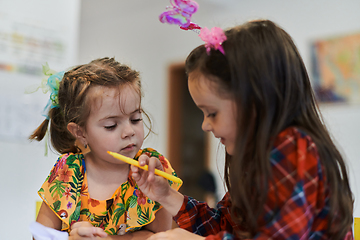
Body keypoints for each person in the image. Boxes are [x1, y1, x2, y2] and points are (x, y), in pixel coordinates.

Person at [131, 20, 354, 239]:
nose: (205, 125)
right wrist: (165, 194)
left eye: (212, 113)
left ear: (255, 103)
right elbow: (222, 226)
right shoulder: (255, 163)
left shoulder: (293, 151)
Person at [31, 57, 182, 239]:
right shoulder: (68, 171)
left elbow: (160, 236)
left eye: (135, 119)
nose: (129, 131)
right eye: (111, 125)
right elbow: (40, 235)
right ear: (80, 132)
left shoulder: (150, 169)